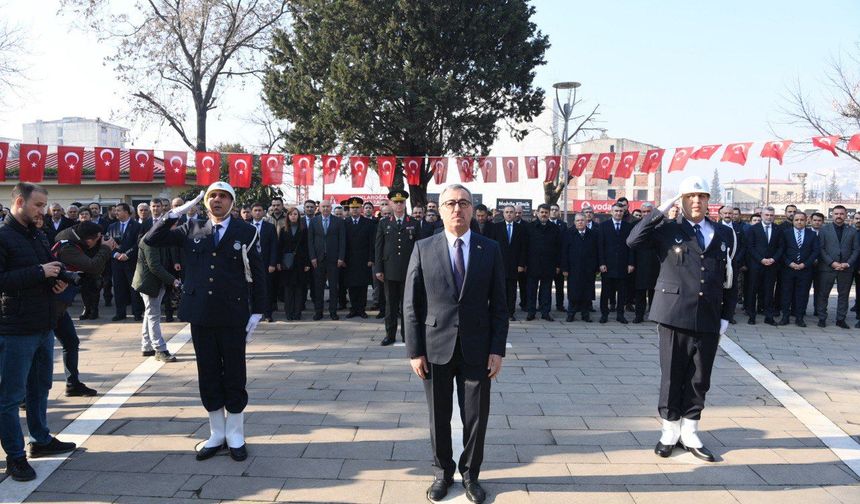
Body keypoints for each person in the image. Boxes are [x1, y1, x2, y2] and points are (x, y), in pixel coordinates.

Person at [145, 181, 267, 462]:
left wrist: (258, 310)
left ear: (232, 203)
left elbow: (258, 272)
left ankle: (235, 433)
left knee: (234, 372)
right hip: (200, 312)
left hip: (233, 313)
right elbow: (151, 239)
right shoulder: (191, 228)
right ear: (205, 201)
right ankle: (217, 433)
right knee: (208, 371)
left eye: (223, 197)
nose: (217, 201)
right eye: (213, 196)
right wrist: (174, 215)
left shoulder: (246, 231)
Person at [403, 183, 507, 504]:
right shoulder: (424, 247)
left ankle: (471, 474)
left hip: (477, 347)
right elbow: (411, 304)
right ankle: (443, 472)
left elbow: (500, 305)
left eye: (463, 203)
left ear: (473, 209)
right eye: (449, 203)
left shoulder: (489, 249)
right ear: (440, 209)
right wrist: (414, 351)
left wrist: (497, 349)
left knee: (476, 415)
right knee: (438, 415)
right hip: (435, 346)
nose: (456, 209)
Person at [627, 176, 734, 463]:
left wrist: (727, 315)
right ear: (681, 200)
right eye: (690, 196)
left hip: (709, 315)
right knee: (672, 374)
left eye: (701, 196)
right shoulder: (667, 230)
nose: (696, 201)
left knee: (700, 377)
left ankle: (690, 431)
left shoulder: (723, 233)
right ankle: (669, 431)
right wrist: (660, 211)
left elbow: (731, 278)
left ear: (709, 200)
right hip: (674, 314)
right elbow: (633, 239)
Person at [0, 183, 77, 482]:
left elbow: (46, 269)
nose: (43, 211)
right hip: (15, 329)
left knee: (40, 387)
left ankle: (41, 439)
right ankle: (15, 457)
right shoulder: (3, 236)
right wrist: (39, 273)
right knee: (10, 396)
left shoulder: (37, 234)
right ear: (20, 202)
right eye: (38, 205)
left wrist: (56, 280)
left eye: (44, 205)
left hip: (44, 325)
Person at [53, 221, 117, 396]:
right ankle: (22, 395)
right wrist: (104, 249)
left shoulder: (71, 238)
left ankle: (72, 384)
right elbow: (93, 267)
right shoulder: (68, 248)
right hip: (49, 306)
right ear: (89, 240)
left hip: (60, 305)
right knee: (37, 352)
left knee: (71, 342)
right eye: (96, 240)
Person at [375, 190, 420, 345]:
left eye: (401, 202)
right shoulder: (384, 222)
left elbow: (418, 247)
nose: (399, 204)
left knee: (408, 306)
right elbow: (378, 247)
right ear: (391, 204)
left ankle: (408, 336)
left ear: (405, 203)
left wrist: (418, 268)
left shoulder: (413, 222)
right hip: (390, 270)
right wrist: (378, 269)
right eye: (396, 202)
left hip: (409, 270)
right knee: (391, 305)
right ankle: (390, 335)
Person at [132, 221, 179, 362]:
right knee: (153, 315)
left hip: (155, 282)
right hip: (149, 283)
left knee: (150, 313)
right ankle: (160, 349)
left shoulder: (159, 238)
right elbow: (154, 266)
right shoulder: (150, 240)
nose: (176, 228)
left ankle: (146, 346)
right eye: (174, 225)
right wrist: (173, 280)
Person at [815, 205, 859, 328]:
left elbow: (856, 250)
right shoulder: (824, 230)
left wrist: (847, 263)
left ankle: (841, 319)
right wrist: (831, 262)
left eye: (841, 214)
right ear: (832, 215)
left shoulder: (853, 231)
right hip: (827, 267)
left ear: (845, 215)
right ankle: (822, 318)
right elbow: (821, 249)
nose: (838, 216)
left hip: (846, 268)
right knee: (823, 293)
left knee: (844, 295)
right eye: (836, 213)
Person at [779, 212, 819, 327]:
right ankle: (785, 317)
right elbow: (782, 250)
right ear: (793, 221)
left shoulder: (812, 234)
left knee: (802, 294)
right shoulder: (786, 233)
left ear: (806, 220)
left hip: (805, 270)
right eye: (796, 220)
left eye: (802, 219)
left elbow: (815, 251)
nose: (799, 222)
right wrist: (789, 263)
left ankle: (799, 318)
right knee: (786, 293)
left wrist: (805, 264)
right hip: (788, 269)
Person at [308, 200, 346, 321]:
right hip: (318, 259)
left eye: (327, 207)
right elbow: (310, 241)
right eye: (323, 207)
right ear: (319, 208)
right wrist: (312, 257)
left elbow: (342, 240)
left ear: (331, 208)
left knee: (334, 286)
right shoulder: (314, 221)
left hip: (333, 259)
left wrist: (341, 257)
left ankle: (333, 312)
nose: (325, 209)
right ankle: (318, 311)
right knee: (318, 287)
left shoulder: (338, 221)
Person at [745, 206, 783, 325]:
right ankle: (752, 316)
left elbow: (781, 247)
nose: (769, 217)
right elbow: (750, 247)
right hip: (756, 265)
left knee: (768, 291)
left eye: (771, 215)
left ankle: (769, 317)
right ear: (762, 215)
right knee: (753, 291)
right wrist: (761, 259)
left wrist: (773, 259)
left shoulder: (778, 229)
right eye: (767, 215)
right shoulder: (753, 229)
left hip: (771, 266)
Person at [523, 204, 561, 321]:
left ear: (549, 214)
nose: (544, 214)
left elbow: (558, 248)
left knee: (546, 290)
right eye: (542, 212)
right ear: (537, 213)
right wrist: (523, 263)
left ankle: (545, 312)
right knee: (531, 290)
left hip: (549, 265)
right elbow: (524, 246)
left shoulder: (555, 228)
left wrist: (558, 265)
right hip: (532, 264)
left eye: (546, 212)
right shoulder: (529, 227)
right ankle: (531, 312)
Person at [598, 204, 635, 324]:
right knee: (605, 291)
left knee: (622, 291)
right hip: (608, 265)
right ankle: (604, 314)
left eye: (621, 211)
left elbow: (631, 246)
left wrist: (631, 263)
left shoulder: (628, 227)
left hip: (623, 264)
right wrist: (602, 263)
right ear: (611, 212)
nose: (618, 213)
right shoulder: (603, 226)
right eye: (616, 211)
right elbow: (600, 246)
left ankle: (620, 314)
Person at [108, 203, 144, 322]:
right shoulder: (112, 226)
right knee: (118, 288)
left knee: (134, 288)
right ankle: (120, 313)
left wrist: (127, 254)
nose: (116, 213)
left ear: (127, 212)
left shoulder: (137, 226)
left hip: (131, 261)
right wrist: (115, 254)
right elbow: (107, 243)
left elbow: (138, 243)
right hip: (116, 262)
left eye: (118, 210)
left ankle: (137, 312)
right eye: (115, 210)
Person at [489, 205, 526, 321]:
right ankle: (499, 311)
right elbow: (492, 246)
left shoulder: (520, 229)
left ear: (515, 214)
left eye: (511, 212)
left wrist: (521, 264)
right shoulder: (496, 227)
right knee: (500, 290)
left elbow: (523, 248)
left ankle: (510, 312)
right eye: (507, 212)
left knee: (512, 290)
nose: (509, 214)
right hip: (500, 264)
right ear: (503, 214)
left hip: (514, 265)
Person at [560, 213, 598, 322]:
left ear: (586, 222)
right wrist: (565, 268)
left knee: (587, 293)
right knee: (573, 292)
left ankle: (585, 315)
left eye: (582, 220)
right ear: (574, 222)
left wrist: (596, 267)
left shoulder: (593, 234)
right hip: (573, 269)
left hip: (588, 269)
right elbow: (564, 252)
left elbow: (596, 251)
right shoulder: (568, 234)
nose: (580, 222)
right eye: (578, 220)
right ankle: (571, 313)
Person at [343, 197, 375, 319]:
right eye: (352, 208)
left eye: (357, 208)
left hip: (364, 259)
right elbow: (343, 243)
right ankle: (353, 309)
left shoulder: (368, 223)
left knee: (362, 286)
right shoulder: (345, 223)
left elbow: (372, 243)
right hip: (349, 260)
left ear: (361, 208)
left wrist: (371, 258)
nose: (355, 210)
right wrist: (343, 259)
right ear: (349, 209)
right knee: (351, 286)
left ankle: (361, 309)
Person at [279, 207, 310, 320]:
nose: (293, 216)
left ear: (298, 216)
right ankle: (289, 313)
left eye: (295, 214)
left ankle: (297, 313)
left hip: (300, 263)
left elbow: (307, 247)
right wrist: (278, 262)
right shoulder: (283, 230)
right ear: (288, 216)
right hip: (287, 264)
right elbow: (280, 247)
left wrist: (307, 263)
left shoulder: (303, 230)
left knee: (299, 290)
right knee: (288, 290)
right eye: (291, 214)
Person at [250, 203, 279, 322]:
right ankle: (253, 313)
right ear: (251, 212)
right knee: (251, 289)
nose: (257, 212)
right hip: (250, 263)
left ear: (263, 212)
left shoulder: (269, 227)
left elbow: (274, 247)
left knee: (266, 289)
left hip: (266, 263)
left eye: (259, 210)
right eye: (255, 210)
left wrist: (273, 263)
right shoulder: (246, 226)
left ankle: (267, 313)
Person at [718, 205, 746, 324]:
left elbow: (743, 246)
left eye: (730, 213)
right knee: (718, 290)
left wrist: (736, 260)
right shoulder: (715, 227)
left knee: (732, 290)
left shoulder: (738, 228)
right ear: (721, 214)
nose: (728, 215)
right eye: (725, 213)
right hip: (719, 264)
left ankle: (729, 315)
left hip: (734, 263)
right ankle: (717, 314)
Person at [633, 203, 660, 323]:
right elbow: (631, 246)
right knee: (640, 292)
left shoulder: (660, 226)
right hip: (640, 264)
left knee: (654, 291)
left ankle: (654, 315)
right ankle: (639, 315)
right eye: (643, 212)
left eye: (648, 211)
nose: (645, 214)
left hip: (656, 264)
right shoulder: (635, 225)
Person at [810, 212, 825, 317]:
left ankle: (817, 309)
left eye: (819, 220)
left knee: (819, 289)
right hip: (807, 265)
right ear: (810, 221)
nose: (817, 222)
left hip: (822, 266)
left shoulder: (826, 233)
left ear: (822, 222)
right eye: (815, 220)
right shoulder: (805, 232)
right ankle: (798, 310)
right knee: (803, 289)